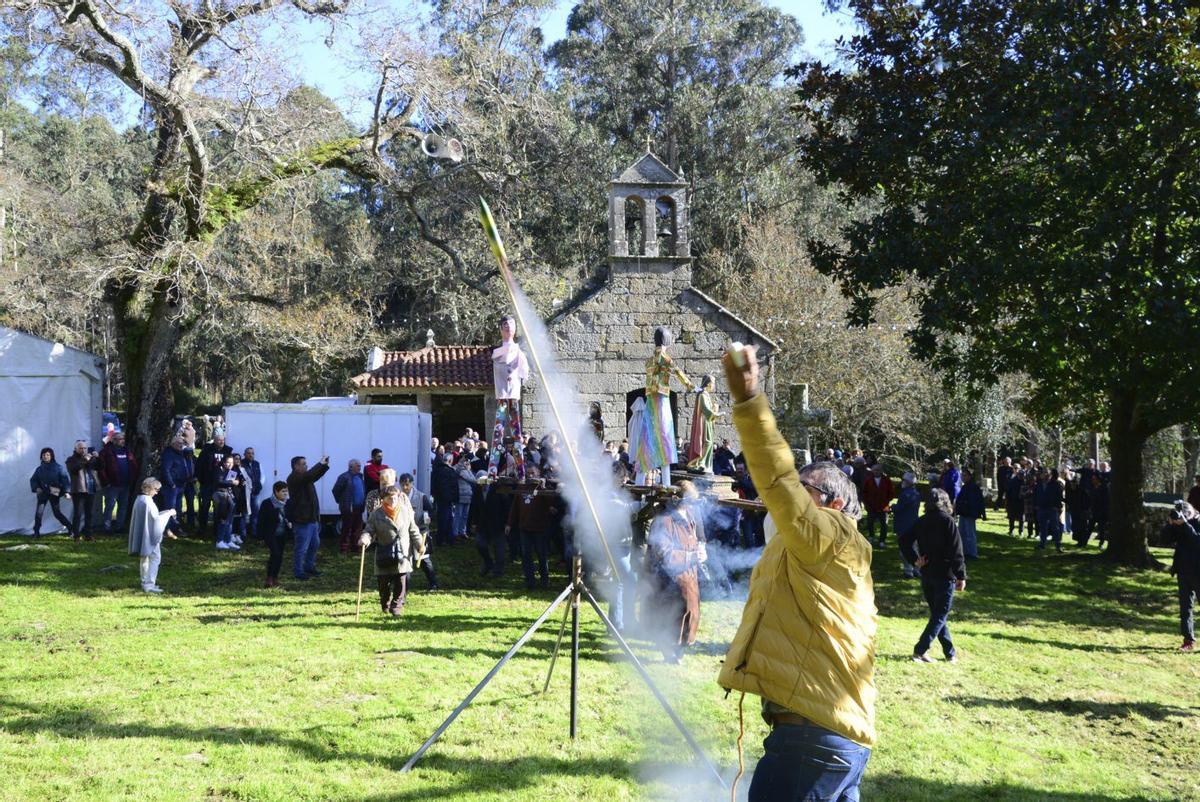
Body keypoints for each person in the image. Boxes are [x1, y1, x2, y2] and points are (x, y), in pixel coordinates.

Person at [717, 345, 876, 801]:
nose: (788, 500)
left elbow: (777, 479)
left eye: (805, 490)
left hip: (813, 737)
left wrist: (749, 400)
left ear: (834, 502)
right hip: (831, 735)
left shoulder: (829, 533)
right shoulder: (817, 549)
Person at [900, 488, 967, 663]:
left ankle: (949, 652)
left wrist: (915, 560)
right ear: (946, 502)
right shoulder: (948, 522)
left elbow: (903, 540)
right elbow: (956, 551)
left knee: (938, 614)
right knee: (940, 614)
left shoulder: (921, 521)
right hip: (944, 574)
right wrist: (961, 576)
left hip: (927, 573)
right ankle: (920, 650)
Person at [644, 495, 703, 663]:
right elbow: (663, 554)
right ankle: (669, 654)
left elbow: (694, 541)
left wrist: (700, 551)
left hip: (689, 578)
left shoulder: (690, 515)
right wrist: (691, 556)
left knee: (690, 616)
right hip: (668, 580)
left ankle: (679, 653)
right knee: (669, 617)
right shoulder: (663, 521)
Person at [360, 485, 424, 616]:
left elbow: (413, 530)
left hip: (403, 553)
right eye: (390, 498)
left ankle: (397, 606)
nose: (393, 501)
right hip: (384, 552)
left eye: (395, 498)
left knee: (401, 581)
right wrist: (364, 539)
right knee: (383, 582)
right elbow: (369, 530)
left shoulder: (406, 511)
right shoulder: (376, 514)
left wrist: (419, 545)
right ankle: (385, 603)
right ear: (384, 499)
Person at [489, 315, 530, 478]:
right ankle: (493, 470)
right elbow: (500, 356)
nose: (508, 327)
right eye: (505, 324)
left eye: (511, 324)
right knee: (499, 430)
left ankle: (521, 472)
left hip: (513, 394)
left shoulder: (519, 353)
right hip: (502, 394)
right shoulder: (498, 352)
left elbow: (524, 372)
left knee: (516, 433)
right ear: (500, 329)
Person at [506, 465, 558, 590]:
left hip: (540, 528)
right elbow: (515, 507)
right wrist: (509, 523)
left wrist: (543, 487)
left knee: (541, 555)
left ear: (538, 473)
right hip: (524, 528)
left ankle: (544, 580)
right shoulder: (522, 487)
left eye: (532, 473)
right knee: (526, 556)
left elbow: (552, 504)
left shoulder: (542, 487)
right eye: (528, 473)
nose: (530, 476)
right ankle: (530, 582)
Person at [127, 478, 177, 593]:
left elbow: (151, 518)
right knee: (155, 558)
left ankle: (145, 582)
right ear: (149, 488)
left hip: (144, 533)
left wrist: (164, 513)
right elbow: (155, 520)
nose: (157, 492)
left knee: (144, 558)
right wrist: (169, 513)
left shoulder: (139, 499)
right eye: (156, 489)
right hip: (150, 536)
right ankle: (149, 584)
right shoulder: (148, 502)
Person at [1163, 502, 1200, 652]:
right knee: (1185, 608)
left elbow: (1197, 541)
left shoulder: (1197, 522)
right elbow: (1165, 540)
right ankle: (1188, 640)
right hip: (1183, 572)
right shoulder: (1179, 525)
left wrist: (1185, 525)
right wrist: (1170, 525)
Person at [287, 455, 330, 580]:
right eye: (304, 464)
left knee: (314, 545)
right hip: (302, 519)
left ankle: (309, 567)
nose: (306, 466)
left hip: (311, 518)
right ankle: (298, 571)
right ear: (296, 466)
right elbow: (310, 475)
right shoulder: (294, 478)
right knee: (301, 548)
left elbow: (314, 475)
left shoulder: (305, 478)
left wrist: (324, 466)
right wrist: (320, 464)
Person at [397, 472, 440, 590]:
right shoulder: (397, 498)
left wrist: (428, 517)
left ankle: (434, 584)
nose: (405, 487)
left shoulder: (421, 497)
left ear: (412, 484)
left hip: (420, 532)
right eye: (402, 485)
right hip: (404, 534)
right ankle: (404, 587)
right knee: (406, 560)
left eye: (407, 484)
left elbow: (431, 511)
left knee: (424, 559)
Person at [98, 431, 138, 534]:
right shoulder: (106, 452)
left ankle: (119, 527)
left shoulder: (127, 451)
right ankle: (106, 527)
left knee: (123, 506)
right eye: (120, 439)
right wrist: (106, 482)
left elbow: (133, 464)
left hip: (125, 484)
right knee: (110, 506)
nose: (122, 441)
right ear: (114, 440)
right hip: (112, 485)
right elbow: (101, 468)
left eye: (123, 439)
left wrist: (132, 478)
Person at [29, 447, 74, 537]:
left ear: (51, 456)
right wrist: (37, 488)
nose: (45, 457)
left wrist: (67, 492)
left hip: (54, 492)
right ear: (41, 457)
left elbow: (65, 479)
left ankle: (70, 528)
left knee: (57, 513)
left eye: (48, 455)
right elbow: (33, 480)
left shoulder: (58, 468)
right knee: (39, 513)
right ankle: (36, 532)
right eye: (44, 455)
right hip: (43, 493)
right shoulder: (39, 469)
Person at [196, 432, 233, 535]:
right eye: (219, 440)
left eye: (223, 440)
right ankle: (202, 529)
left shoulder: (228, 451)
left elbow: (231, 466)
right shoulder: (207, 450)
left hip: (221, 485)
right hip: (207, 483)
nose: (221, 442)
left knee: (220, 508)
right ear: (214, 440)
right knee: (205, 506)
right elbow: (199, 465)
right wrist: (200, 479)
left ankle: (217, 530)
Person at [258, 481, 291, 588]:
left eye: (287, 491)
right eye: (283, 491)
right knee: (275, 553)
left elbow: (291, 516)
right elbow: (261, 520)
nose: (285, 494)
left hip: (282, 534)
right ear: (276, 492)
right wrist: (260, 536)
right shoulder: (267, 503)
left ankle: (275, 577)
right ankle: (269, 578)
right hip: (270, 534)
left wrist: (290, 523)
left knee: (279, 556)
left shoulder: (288, 503)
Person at [65, 440, 100, 541]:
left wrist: (98, 458)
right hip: (78, 490)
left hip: (91, 488)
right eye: (81, 448)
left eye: (85, 448)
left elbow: (101, 467)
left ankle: (88, 535)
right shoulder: (71, 459)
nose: (83, 450)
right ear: (75, 449)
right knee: (78, 514)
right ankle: (76, 535)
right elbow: (74, 469)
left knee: (89, 513)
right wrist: (85, 460)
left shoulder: (90, 458)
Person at [686, 375, 720, 474]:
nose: (714, 385)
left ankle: (705, 464)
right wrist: (716, 413)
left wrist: (715, 408)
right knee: (707, 442)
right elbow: (706, 411)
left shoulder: (706, 395)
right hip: (703, 423)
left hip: (708, 422)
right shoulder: (702, 395)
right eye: (713, 383)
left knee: (709, 442)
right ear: (708, 384)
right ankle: (700, 463)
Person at [332, 459, 367, 555]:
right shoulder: (344, 477)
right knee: (347, 529)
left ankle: (355, 549)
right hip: (349, 508)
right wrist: (342, 502)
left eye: (360, 465)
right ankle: (344, 550)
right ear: (351, 466)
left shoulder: (360, 477)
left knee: (357, 530)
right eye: (357, 465)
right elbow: (335, 490)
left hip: (359, 508)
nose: (360, 467)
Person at [893, 472, 922, 579]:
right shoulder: (916, 493)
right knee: (914, 548)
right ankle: (917, 569)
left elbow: (899, 507)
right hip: (913, 523)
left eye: (904, 480)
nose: (902, 482)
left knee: (904, 548)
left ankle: (908, 570)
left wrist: (892, 506)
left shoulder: (906, 494)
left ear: (908, 482)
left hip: (903, 524)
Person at [954, 469, 986, 559]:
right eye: (962, 475)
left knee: (970, 534)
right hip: (964, 513)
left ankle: (972, 553)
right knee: (962, 533)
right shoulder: (965, 487)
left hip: (969, 513)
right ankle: (964, 551)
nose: (963, 477)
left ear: (969, 476)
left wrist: (980, 513)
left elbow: (977, 502)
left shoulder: (973, 487)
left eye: (964, 475)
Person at [861, 464, 894, 547]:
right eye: (875, 470)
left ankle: (882, 540)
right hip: (871, 506)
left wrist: (886, 501)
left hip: (883, 506)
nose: (877, 471)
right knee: (870, 523)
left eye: (878, 470)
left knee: (884, 524)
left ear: (881, 471)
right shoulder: (868, 480)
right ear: (872, 471)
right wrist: (867, 504)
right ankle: (871, 536)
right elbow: (864, 493)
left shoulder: (887, 480)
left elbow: (891, 492)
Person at [430, 452, 459, 547]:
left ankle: (444, 538)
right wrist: (454, 498)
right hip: (448, 499)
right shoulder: (450, 471)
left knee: (443, 518)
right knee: (447, 519)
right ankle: (444, 539)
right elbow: (453, 486)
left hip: (440, 498)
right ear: (450, 460)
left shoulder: (437, 470)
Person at [213, 455, 241, 551]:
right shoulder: (218, 470)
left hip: (230, 497)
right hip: (221, 496)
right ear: (224, 462)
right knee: (223, 519)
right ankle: (219, 540)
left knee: (230, 520)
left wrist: (236, 481)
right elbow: (219, 482)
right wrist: (232, 482)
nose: (230, 464)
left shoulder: (232, 472)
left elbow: (234, 482)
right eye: (228, 462)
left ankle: (228, 540)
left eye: (232, 463)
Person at [1035, 467, 1065, 552]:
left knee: (1055, 528)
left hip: (1052, 509)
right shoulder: (1039, 484)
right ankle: (1042, 544)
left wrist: (1057, 507)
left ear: (1050, 475)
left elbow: (1059, 497)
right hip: (1041, 508)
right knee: (1043, 528)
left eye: (1047, 473)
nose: (1045, 475)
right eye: (1043, 473)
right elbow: (1036, 495)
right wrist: (1036, 505)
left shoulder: (1055, 484)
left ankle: (1058, 546)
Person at [454, 454, 477, 542]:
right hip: (461, 494)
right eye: (466, 461)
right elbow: (472, 479)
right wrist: (469, 470)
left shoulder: (466, 470)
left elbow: (472, 478)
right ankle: (455, 533)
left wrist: (469, 470)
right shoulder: (460, 470)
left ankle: (462, 532)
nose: (468, 463)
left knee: (465, 515)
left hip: (467, 494)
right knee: (458, 514)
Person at [242, 447, 263, 538]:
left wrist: (259, 485)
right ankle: (244, 534)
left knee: (255, 513)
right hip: (245, 493)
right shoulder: (241, 464)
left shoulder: (257, 464)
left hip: (256, 492)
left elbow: (262, 476)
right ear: (245, 454)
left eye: (252, 453)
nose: (251, 455)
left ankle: (254, 533)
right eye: (249, 453)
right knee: (245, 513)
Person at [1005, 464, 1026, 536]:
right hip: (1013, 501)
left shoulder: (1024, 482)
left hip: (1021, 502)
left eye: (1022, 475)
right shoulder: (1013, 481)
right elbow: (1008, 491)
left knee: (1021, 518)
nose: (1022, 476)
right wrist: (1008, 501)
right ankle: (1011, 530)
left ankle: (1021, 531)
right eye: (1020, 475)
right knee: (1012, 517)